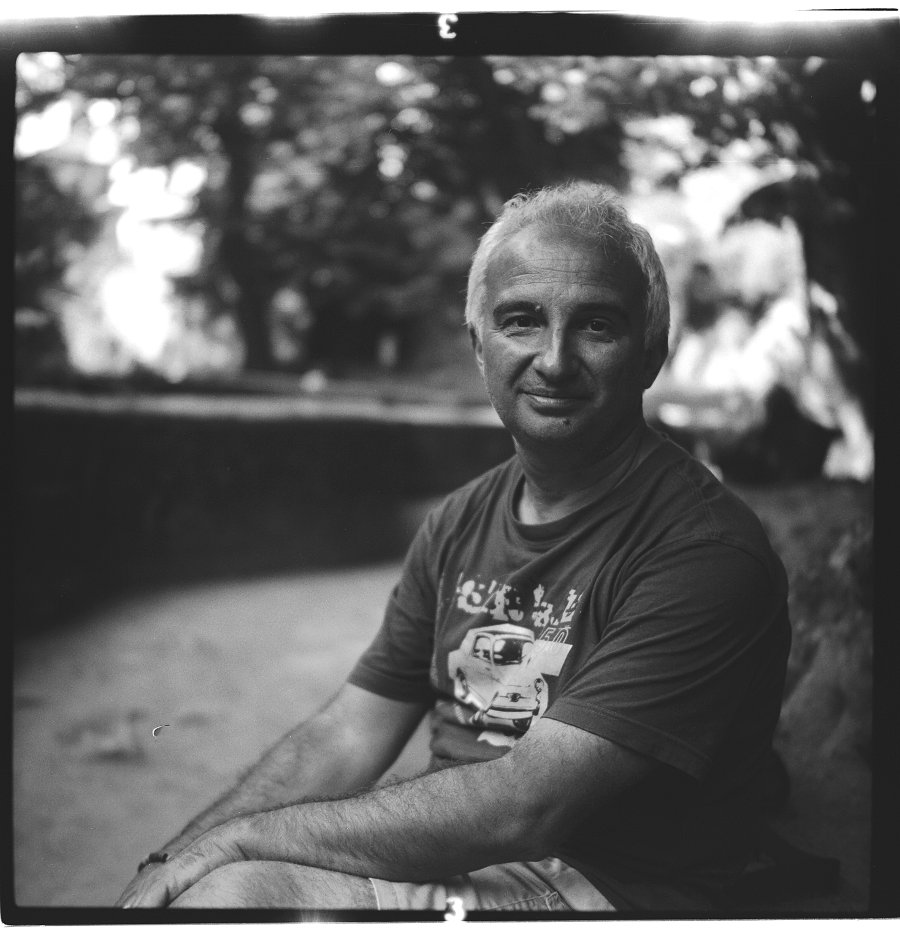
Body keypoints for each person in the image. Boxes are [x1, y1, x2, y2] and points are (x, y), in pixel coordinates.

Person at [116, 182, 791, 913]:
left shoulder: (704, 553)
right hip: (462, 860)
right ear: (479, 347)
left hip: (604, 887)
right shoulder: (459, 521)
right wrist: (179, 855)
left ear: (651, 352)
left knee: (235, 897)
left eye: (596, 325)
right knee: (196, 891)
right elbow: (347, 732)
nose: (554, 359)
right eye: (522, 320)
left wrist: (244, 843)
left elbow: (525, 806)